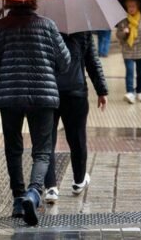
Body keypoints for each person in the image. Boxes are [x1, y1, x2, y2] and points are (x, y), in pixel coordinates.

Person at [0, 0, 70, 226]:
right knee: (42, 149)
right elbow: (65, 61)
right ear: (34, 1)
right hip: (43, 95)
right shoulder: (48, 25)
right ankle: (33, 192)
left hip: (10, 96)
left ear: (8, 1)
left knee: (13, 148)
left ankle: (19, 199)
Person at [43, 31, 108, 204]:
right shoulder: (82, 29)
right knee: (77, 137)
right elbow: (92, 61)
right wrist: (101, 90)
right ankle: (79, 181)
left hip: (49, 91)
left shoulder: (44, 25)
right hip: (76, 92)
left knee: (47, 139)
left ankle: (50, 187)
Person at [116, 0, 141, 104]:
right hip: (127, 50)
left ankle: (139, 91)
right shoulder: (123, 20)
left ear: (137, 7)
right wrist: (124, 32)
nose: (131, 9)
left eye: (133, 6)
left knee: (140, 72)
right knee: (129, 71)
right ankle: (130, 92)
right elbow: (118, 35)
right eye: (129, 7)